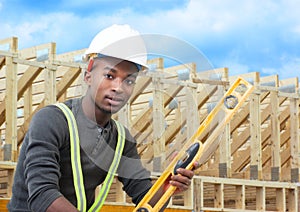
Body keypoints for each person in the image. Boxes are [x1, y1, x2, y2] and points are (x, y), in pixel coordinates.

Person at [7, 24, 199, 212]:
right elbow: (42, 195)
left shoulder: (121, 140)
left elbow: (146, 200)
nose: (118, 87)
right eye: (109, 75)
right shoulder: (52, 120)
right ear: (88, 75)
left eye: (129, 80)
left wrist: (167, 186)